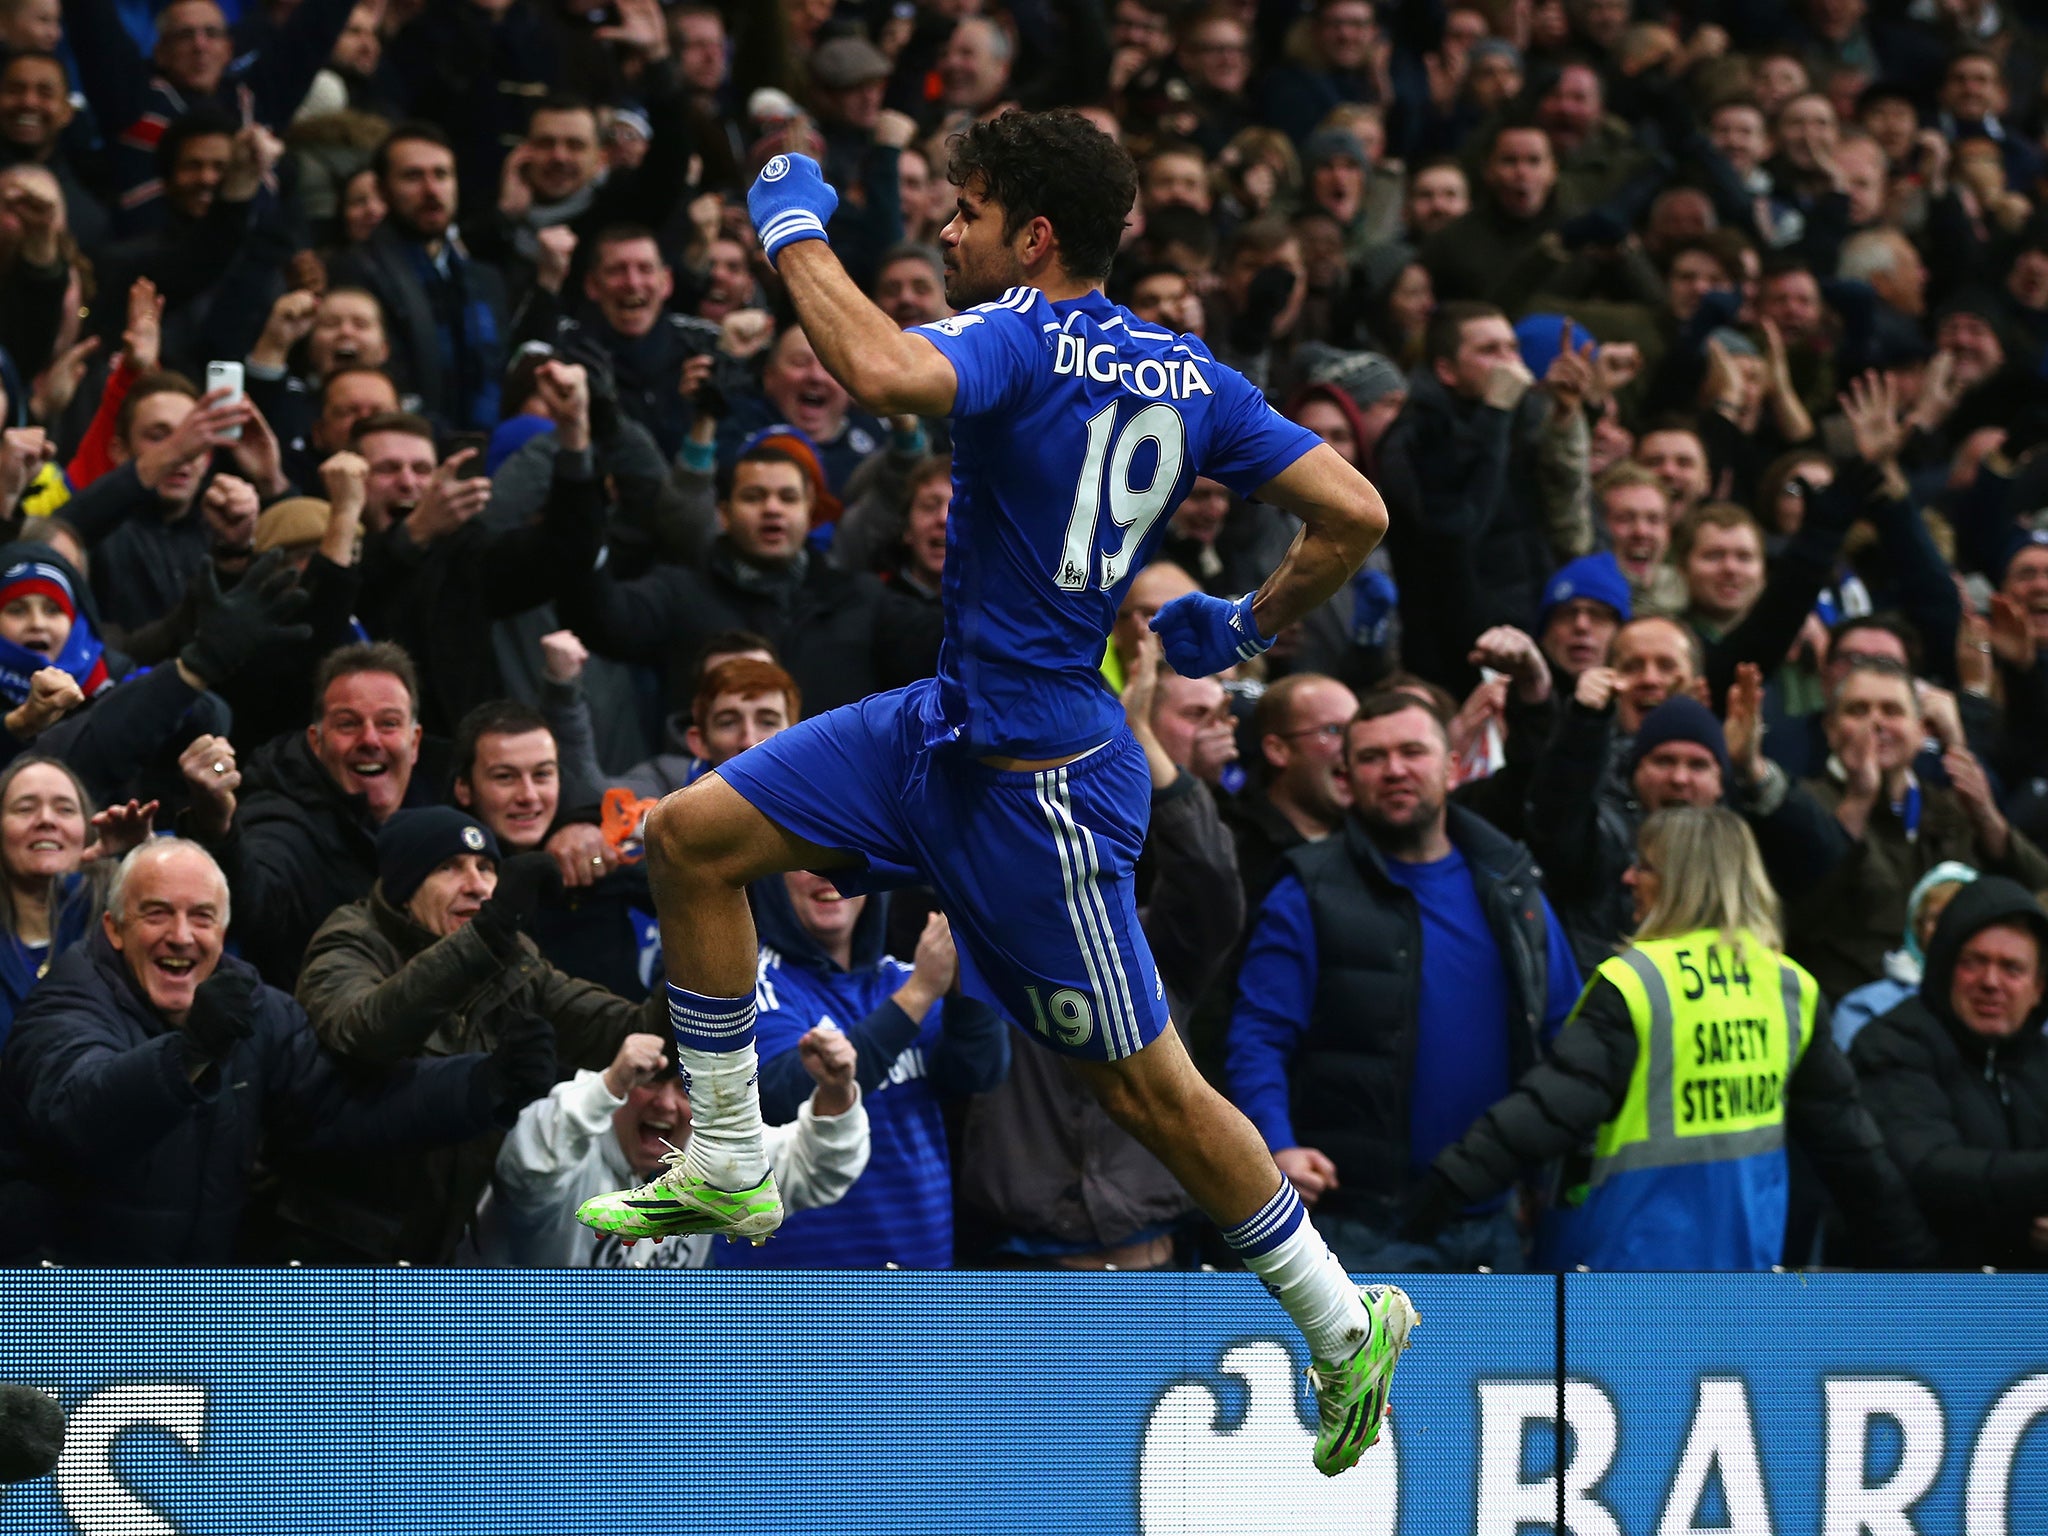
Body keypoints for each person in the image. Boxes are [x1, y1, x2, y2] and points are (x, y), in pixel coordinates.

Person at [572, 109, 1412, 1476]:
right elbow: (1357, 515)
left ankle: (1337, 1317)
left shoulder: (1025, 331)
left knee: (1149, 1093)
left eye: (961, 212)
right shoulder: (1191, 371)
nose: (944, 233)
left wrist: (789, 224)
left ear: (1030, 235)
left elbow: (880, 368)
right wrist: (1245, 623)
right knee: (690, 835)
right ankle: (731, 1151)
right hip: (945, 728)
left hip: (1041, 796)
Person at [1403, 807, 1938, 1271]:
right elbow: (1850, 1147)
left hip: (1622, 1271)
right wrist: (1913, 1254)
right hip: (1743, 1269)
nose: (1629, 878)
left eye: (1646, 866)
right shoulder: (1789, 985)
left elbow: (1546, 1111)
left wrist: (1439, 1194)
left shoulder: (1637, 980)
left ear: (1688, 881)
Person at [0, 839, 556, 1263]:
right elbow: (79, 1113)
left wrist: (482, 1082)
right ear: (114, 929)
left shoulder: (254, 1012)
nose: (182, 936)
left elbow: (342, 1108)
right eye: (156, 913)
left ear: (224, 930)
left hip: (190, 1312)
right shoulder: (64, 1006)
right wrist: (189, 1053)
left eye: (202, 917)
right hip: (58, 1315)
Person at [1227, 692, 1583, 1272]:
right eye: (1372, 757)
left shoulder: (1511, 886)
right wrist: (1275, 1145)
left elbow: (1564, 1033)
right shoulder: (1307, 889)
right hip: (1357, 1227)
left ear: (1451, 765)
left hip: (1493, 1220)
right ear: (1347, 777)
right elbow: (1258, 1036)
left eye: (1412, 751)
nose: (1394, 769)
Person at [268, 808, 647, 1262]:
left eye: (486, 868)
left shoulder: (508, 958)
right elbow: (365, 1032)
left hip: (436, 1247)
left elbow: (620, 1028)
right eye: (448, 868)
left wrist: (698, 988)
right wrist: (489, 932)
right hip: (325, 1244)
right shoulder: (352, 941)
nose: (477, 886)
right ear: (404, 887)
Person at [472, 1024, 871, 1267]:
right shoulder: (572, 1129)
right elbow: (526, 1169)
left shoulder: (710, 1146)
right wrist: (610, 1084)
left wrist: (836, 1092)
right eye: (647, 1080)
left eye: (686, 1088)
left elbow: (814, 1170)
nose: (665, 1104)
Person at [1850, 877, 2048, 1271]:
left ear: (2039, 988)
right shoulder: (1890, 1045)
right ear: (1943, 965)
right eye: (1973, 962)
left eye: (2012, 968)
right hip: (1924, 1299)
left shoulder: (2040, 1058)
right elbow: (1931, 1171)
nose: (1990, 983)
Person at [0, 756, 154, 1047]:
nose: (46, 820)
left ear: (87, 830)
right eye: (25, 808)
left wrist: (142, 855)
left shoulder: (123, 924)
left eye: (65, 809)